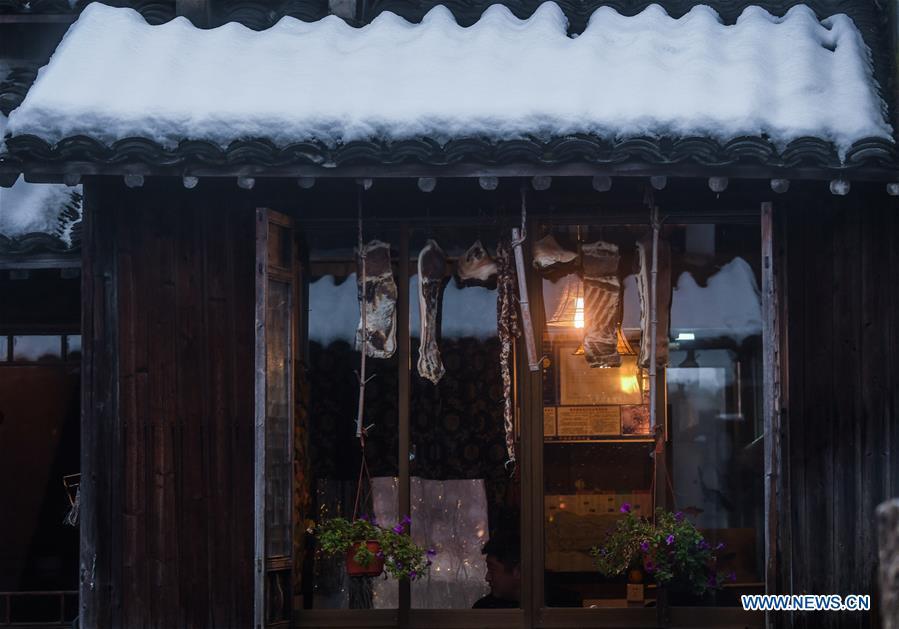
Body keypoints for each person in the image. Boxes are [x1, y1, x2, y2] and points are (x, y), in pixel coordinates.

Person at [472, 532, 520, 608]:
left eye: (492, 569)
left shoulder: (542, 609)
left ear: (518, 571)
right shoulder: (483, 610)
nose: (487, 578)